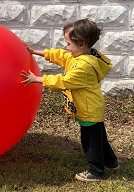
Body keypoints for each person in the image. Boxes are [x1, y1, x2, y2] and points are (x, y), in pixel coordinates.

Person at [20, 19, 119, 182]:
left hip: (88, 109)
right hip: (91, 107)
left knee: (90, 141)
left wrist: (36, 79)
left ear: (81, 44)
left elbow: (63, 81)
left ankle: (95, 171)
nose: (66, 47)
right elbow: (61, 56)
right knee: (99, 136)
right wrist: (34, 51)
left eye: (68, 43)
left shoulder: (83, 67)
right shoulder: (83, 55)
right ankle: (111, 161)